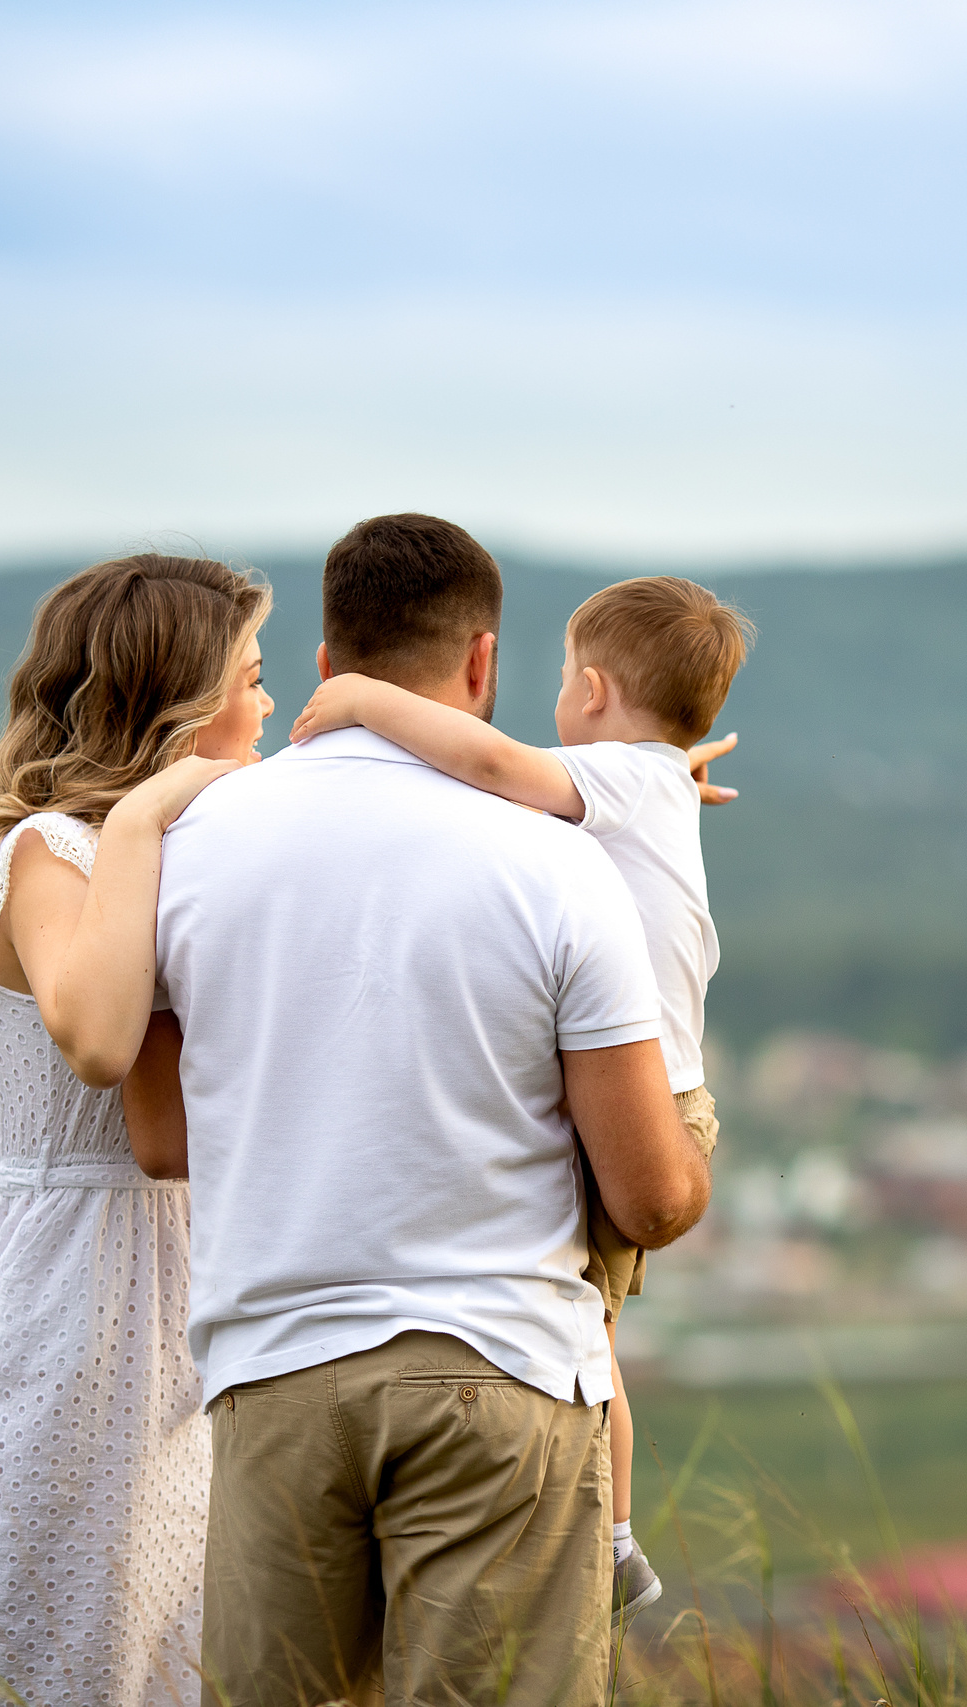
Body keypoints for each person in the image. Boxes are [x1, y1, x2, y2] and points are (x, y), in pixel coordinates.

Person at [153, 514, 713, 1707]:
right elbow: (651, 1198)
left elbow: (158, 1132)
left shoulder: (189, 846)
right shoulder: (559, 861)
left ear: (321, 668)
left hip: (271, 1373)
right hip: (498, 1363)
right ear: (481, 664)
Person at [288, 572, 751, 1618]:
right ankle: (612, 1531)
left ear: (589, 690)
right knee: (587, 1330)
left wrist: (361, 700)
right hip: (648, 1097)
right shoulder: (648, 781)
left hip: (644, 1111)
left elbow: (492, 765)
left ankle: (614, 1535)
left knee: (586, 1339)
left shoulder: (618, 781)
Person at [0, 552, 273, 1707]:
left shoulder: (180, 855)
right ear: (182, 700)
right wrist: (153, 811)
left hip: (192, 1303)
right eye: (251, 676)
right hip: (75, 1307)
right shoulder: (51, 852)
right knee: (61, 1648)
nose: (271, 705)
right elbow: (100, 1042)